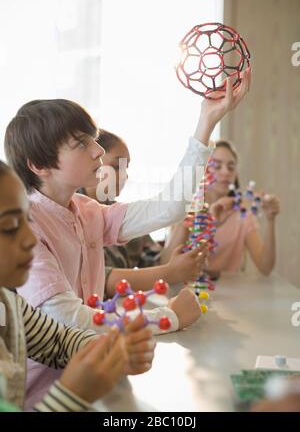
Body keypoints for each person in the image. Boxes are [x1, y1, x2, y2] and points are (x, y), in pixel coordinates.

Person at [4, 69, 251, 407]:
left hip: (97, 382)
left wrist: (205, 123)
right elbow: (70, 322)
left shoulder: (86, 210)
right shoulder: (28, 227)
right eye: (81, 143)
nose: (97, 152)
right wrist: (170, 317)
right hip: (46, 396)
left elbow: (169, 208)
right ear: (38, 165)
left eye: (93, 139)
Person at [0, 161, 155, 411]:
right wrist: (72, 393)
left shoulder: (7, 304)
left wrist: (112, 350)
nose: (30, 238)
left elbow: (58, 341)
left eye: (27, 221)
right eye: (9, 227)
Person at [79, 129, 209, 294]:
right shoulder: (73, 213)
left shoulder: (121, 215)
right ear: (93, 160)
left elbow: (159, 263)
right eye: (116, 166)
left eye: (126, 168)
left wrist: (184, 224)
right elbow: (99, 280)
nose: (124, 175)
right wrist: (171, 272)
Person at [167, 139, 280, 277]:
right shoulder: (187, 208)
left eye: (231, 167)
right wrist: (191, 215)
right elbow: (166, 264)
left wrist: (270, 220)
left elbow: (265, 267)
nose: (226, 172)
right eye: (217, 166)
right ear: (204, 171)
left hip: (230, 295)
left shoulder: (242, 214)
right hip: (186, 293)